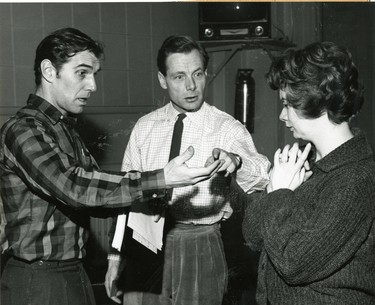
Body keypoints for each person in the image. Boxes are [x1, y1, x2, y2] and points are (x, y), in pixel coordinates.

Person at [0, 28, 224, 305]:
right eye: (82, 73)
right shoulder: (23, 130)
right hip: (39, 281)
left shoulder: (64, 129)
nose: (93, 85)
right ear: (48, 71)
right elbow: (75, 187)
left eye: (94, 74)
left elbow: (100, 194)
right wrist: (161, 179)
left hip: (72, 273)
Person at [104, 35, 271, 305]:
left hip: (199, 245)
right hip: (143, 242)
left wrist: (236, 161)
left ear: (205, 74)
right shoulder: (145, 128)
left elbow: (261, 173)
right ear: (163, 80)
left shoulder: (225, 127)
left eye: (197, 74)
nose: (191, 86)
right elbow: (124, 201)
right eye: (179, 77)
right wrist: (115, 258)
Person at [242, 41, 375, 304]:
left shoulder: (357, 179)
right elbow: (253, 237)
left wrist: (280, 192)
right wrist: (276, 190)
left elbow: (294, 263)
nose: (282, 115)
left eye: (288, 105)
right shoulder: (304, 160)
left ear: (320, 103)